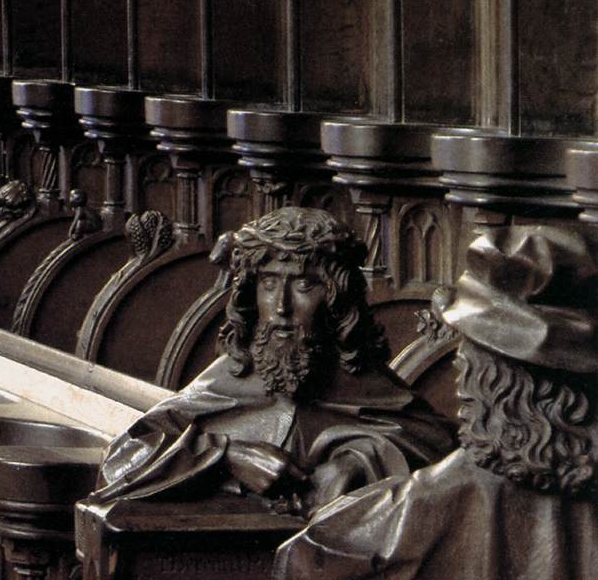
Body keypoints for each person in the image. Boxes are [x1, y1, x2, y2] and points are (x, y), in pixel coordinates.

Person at [274, 225, 597, 580]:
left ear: (490, 374)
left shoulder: (395, 524)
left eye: (465, 347)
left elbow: (305, 564)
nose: (459, 365)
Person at [94, 206, 454, 510]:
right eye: (268, 284)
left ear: (336, 299)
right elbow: (121, 461)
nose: (280, 307)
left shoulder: (364, 385)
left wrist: (359, 460)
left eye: (303, 285)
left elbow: (445, 455)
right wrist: (225, 458)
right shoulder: (231, 378)